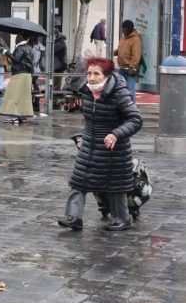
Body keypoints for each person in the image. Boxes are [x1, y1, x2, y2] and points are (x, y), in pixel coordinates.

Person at [57, 57, 142, 232]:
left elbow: (135, 119)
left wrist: (116, 134)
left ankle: (122, 219)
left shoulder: (119, 93)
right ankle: (74, 217)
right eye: (89, 73)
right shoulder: (87, 91)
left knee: (114, 184)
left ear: (107, 76)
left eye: (97, 74)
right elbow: (91, 120)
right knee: (79, 180)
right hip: (89, 143)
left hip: (114, 147)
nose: (92, 77)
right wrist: (83, 137)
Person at [0, 32, 35, 124]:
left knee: (14, 95)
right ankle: (22, 116)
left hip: (19, 74)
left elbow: (16, 59)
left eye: (17, 36)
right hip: (27, 75)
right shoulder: (29, 48)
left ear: (21, 37)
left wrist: (6, 52)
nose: (16, 38)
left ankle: (14, 116)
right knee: (23, 96)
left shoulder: (20, 48)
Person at [115, 19, 142, 104]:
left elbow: (136, 54)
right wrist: (115, 52)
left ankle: (132, 107)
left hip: (129, 69)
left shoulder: (135, 39)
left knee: (130, 89)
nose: (122, 30)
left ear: (129, 29)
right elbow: (120, 48)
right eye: (122, 28)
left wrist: (132, 66)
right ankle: (123, 107)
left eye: (124, 29)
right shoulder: (123, 38)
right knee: (120, 89)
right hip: (122, 68)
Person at [31, 36, 46, 117]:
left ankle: (33, 104)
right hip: (38, 69)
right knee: (36, 87)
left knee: (30, 87)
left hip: (32, 69)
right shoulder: (41, 47)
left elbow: (32, 60)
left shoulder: (33, 48)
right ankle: (36, 104)